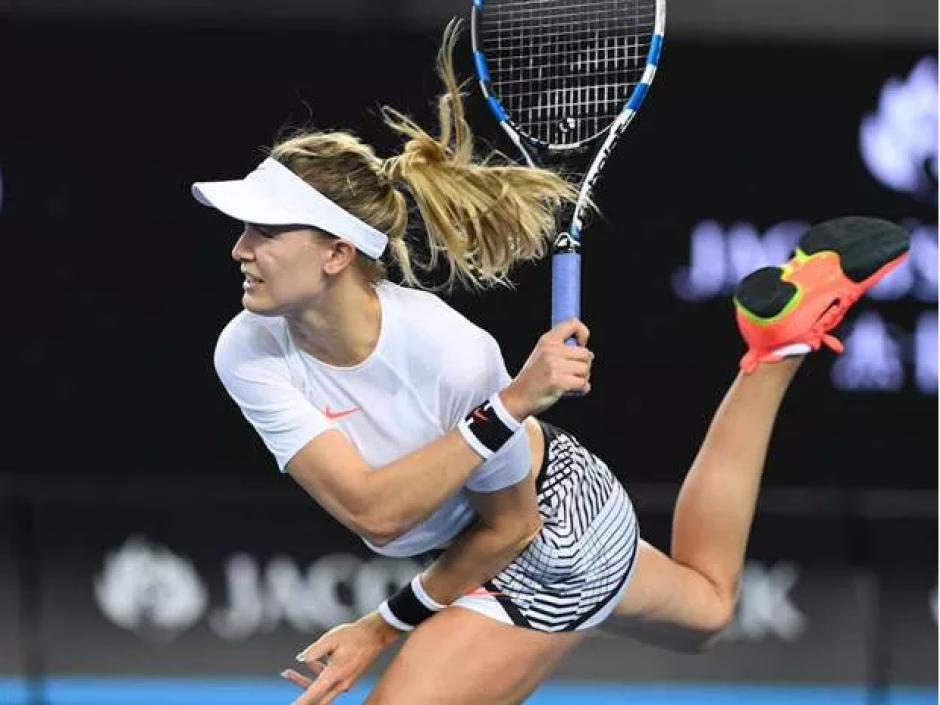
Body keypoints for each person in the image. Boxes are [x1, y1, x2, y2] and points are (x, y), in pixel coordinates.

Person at [191, 22, 910, 705]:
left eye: (265, 229)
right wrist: (508, 408)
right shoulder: (246, 347)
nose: (240, 248)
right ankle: (776, 345)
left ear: (337, 252)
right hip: (500, 516)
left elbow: (508, 529)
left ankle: (777, 347)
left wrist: (381, 625)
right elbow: (371, 509)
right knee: (711, 606)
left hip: (547, 534)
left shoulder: (450, 352)